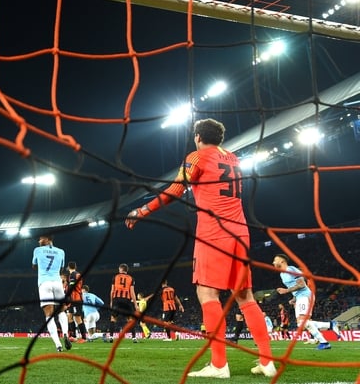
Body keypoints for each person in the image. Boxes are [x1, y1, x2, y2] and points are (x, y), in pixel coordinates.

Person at [125, 118, 275, 378]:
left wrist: (143, 209)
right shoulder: (233, 158)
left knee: (207, 295)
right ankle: (267, 362)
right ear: (220, 138)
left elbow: (175, 189)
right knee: (245, 297)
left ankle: (219, 365)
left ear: (197, 136)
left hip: (213, 234)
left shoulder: (196, 156)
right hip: (240, 232)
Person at [272, 253, 340, 349]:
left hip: (305, 296)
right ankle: (330, 326)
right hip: (299, 297)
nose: (273, 262)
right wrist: (294, 298)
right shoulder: (282, 274)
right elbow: (295, 286)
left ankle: (324, 342)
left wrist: (286, 291)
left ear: (282, 261)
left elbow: (302, 284)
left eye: (275, 260)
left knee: (303, 322)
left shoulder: (291, 269)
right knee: (302, 324)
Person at [32, 234, 72, 352]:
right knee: (61, 310)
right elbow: (61, 269)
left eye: (41, 238)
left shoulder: (37, 250)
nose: (39, 241)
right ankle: (65, 334)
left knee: (49, 315)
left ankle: (58, 345)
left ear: (48, 239)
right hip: (57, 283)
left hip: (44, 283)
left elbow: (34, 266)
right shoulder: (61, 252)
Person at [107, 263, 138, 343]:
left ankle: (111, 337)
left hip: (116, 300)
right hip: (126, 300)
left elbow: (112, 291)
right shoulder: (131, 278)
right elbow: (132, 292)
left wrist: (111, 301)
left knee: (113, 318)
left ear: (121, 269)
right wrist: (135, 304)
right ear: (126, 270)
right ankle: (134, 338)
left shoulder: (115, 277)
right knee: (130, 319)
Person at [66, 261, 88, 342]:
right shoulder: (78, 274)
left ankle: (84, 337)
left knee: (77, 318)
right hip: (74, 299)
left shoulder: (73, 275)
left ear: (68, 267)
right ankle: (74, 336)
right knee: (69, 316)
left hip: (75, 299)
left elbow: (72, 286)